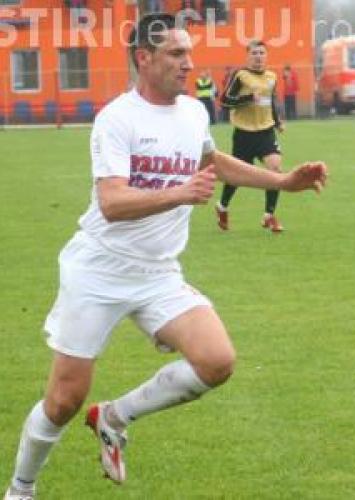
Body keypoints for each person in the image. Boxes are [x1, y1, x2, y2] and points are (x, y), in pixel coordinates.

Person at [2, 14, 327, 500]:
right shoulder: (118, 118)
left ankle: (114, 417)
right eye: (176, 53)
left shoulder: (193, 113)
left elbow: (211, 162)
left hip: (158, 274)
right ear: (144, 58)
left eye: (189, 52)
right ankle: (20, 490)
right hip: (99, 270)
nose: (188, 63)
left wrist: (283, 181)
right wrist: (179, 193)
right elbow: (112, 202)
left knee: (216, 360)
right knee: (64, 399)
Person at [215, 39, 286, 233]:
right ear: (248, 56)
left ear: (266, 56)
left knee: (275, 169)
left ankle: (269, 215)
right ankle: (222, 206)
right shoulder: (240, 75)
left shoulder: (272, 76)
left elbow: (270, 102)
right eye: (254, 53)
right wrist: (247, 98)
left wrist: (277, 122)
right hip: (244, 134)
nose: (258, 57)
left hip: (265, 132)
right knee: (237, 177)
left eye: (262, 53)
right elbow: (224, 101)